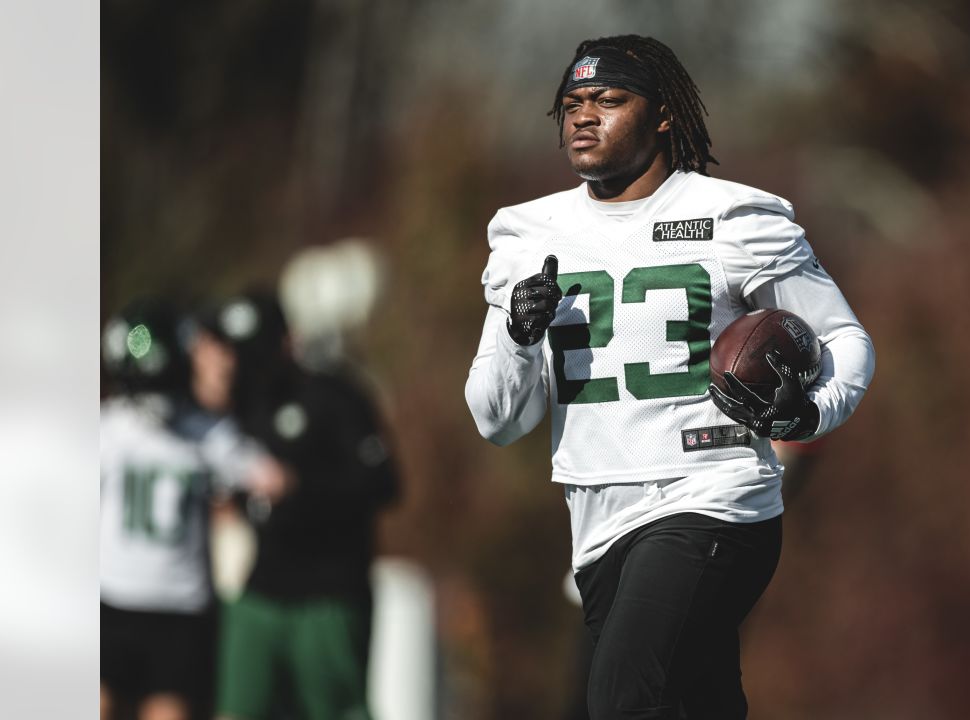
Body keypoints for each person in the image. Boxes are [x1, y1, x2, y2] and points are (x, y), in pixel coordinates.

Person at [465, 35, 876, 719]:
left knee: (622, 696)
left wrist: (811, 411)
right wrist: (516, 333)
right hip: (596, 517)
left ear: (662, 115)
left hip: (715, 496)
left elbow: (843, 338)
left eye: (608, 100)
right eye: (571, 103)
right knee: (697, 703)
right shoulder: (527, 234)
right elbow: (496, 420)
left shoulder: (737, 218)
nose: (583, 117)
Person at [203, 290, 399, 720]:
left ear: (286, 342)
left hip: (326, 594)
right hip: (258, 594)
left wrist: (298, 487)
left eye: (254, 351)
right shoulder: (234, 410)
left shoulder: (335, 398)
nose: (244, 364)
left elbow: (383, 484)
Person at [100, 299, 283, 720]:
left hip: (177, 610)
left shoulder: (204, 433)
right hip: (114, 600)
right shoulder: (110, 431)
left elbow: (269, 477)